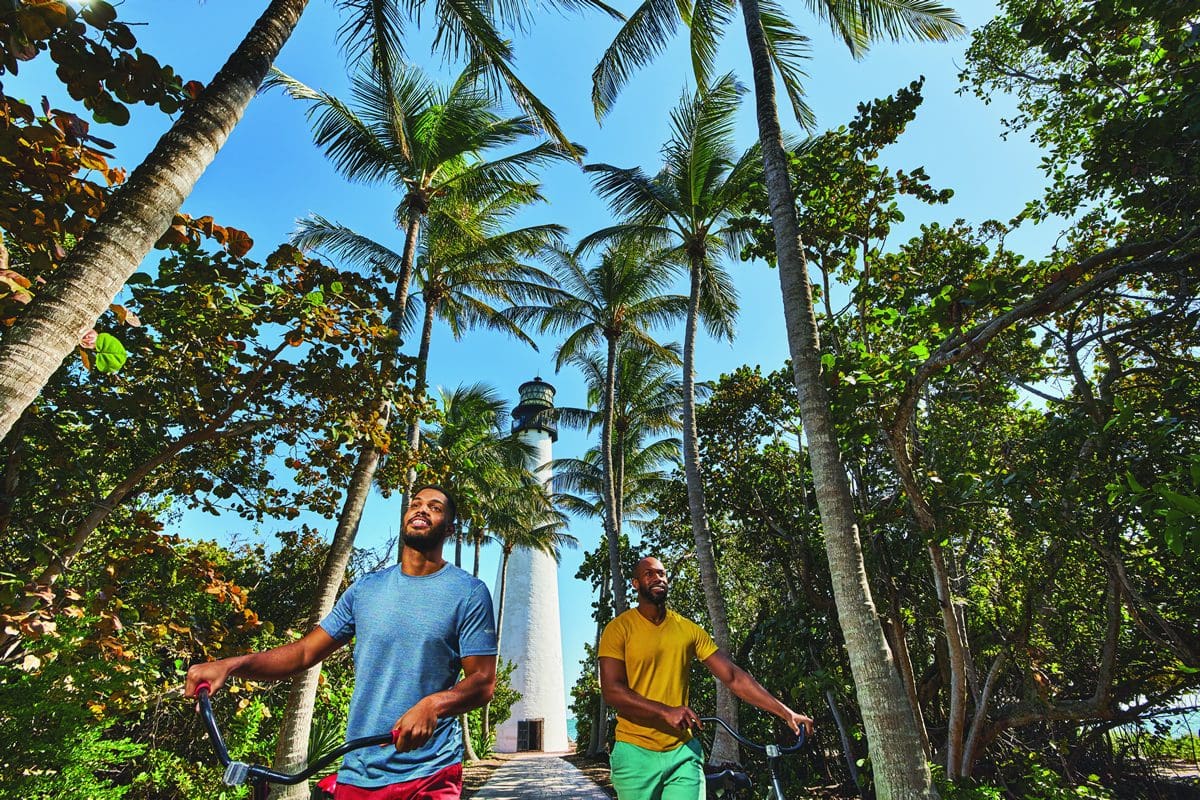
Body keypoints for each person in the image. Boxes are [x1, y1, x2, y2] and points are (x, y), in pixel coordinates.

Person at [185, 485, 497, 800]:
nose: (422, 509)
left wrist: (433, 704)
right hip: (358, 774)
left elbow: (482, 681)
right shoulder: (366, 590)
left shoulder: (468, 593)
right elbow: (305, 652)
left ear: (450, 529)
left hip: (430, 774)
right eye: (416, 503)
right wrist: (231, 665)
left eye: (435, 507)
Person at [598, 556, 814, 800]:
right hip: (634, 752)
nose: (658, 578)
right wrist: (665, 711)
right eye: (649, 574)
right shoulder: (618, 628)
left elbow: (733, 676)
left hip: (682, 753)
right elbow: (612, 690)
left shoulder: (687, 629)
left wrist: (787, 713)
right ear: (636, 583)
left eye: (661, 573)